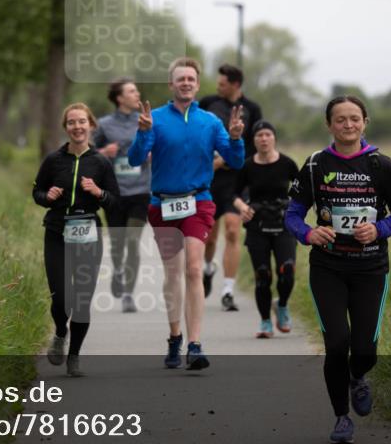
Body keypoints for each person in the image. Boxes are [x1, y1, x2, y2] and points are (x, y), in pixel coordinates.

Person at [285, 95, 391, 444]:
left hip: (371, 268)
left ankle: (358, 377)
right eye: (340, 119)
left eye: (354, 118)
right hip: (328, 268)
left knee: (366, 348)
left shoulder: (381, 165)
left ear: (365, 122)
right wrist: (309, 233)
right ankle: (341, 417)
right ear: (329, 125)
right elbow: (292, 214)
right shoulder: (314, 165)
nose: (348, 125)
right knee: (337, 343)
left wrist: (380, 229)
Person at [128, 57, 245, 370]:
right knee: (173, 273)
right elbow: (136, 159)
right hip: (163, 205)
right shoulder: (155, 119)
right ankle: (174, 336)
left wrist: (235, 138)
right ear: (171, 84)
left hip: (198, 201)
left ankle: (195, 344)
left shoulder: (210, 122)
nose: (186, 83)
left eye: (191, 79)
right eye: (180, 79)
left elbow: (235, 161)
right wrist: (142, 133)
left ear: (196, 83)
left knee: (194, 268)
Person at [32, 103, 120, 377]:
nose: (77, 127)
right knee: (60, 298)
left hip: (88, 234)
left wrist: (98, 192)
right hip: (57, 232)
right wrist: (47, 198)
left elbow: (114, 202)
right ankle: (60, 332)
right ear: (66, 128)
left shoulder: (101, 163)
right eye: (72, 122)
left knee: (82, 299)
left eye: (82, 121)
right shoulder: (53, 160)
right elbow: (37, 191)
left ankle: (74, 356)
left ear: (91, 125)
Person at [199, 64, 263, 312]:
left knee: (234, 232)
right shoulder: (207, 103)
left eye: (222, 83)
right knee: (210, 236)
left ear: (236, 84)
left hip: (238, 181)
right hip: (211, 181)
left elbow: (256, 143)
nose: (218, 87)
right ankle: (207, 268)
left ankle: (227, 290)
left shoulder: (252, 109)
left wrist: (224, 159)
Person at [232, 121, 299, 338]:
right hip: (257, 226)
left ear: (274, 138)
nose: (263, 138)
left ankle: (282, 305)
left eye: (267, 134)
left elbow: (302, 192)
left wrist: (297, 212)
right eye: (259, 135)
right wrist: (243, 207)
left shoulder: (288, 164)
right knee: (262, 275)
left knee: (287, 270)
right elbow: (232, 193)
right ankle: (265, 322)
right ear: (254, 140)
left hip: (284, 224)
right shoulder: (247, 166)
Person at [93, 78, 151, 314]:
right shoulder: (104, 125)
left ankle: (128, 294)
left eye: (137, 89)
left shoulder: (146, 122)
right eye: (131, 90)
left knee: (132, 241)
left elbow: (160, 147)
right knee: (117, 243)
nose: (137, 93)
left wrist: (151, 154)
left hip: (140, 190)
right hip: (114, 191)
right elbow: (90, 153)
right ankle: (118, 271)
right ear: (119, 98)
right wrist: (103, 152)